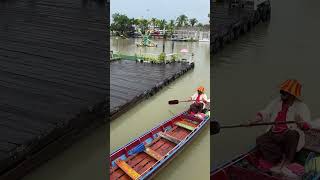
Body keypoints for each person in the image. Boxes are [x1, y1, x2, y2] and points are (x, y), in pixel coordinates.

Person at [250, 79, 311, 176]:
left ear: (291, 95)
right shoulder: (276, 102)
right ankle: (277, 158)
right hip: (274, 132)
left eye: (284, 93)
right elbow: (265, 113)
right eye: (281, 92)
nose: (281, 94)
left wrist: (301, 123)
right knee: (260, 140)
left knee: (293, 134)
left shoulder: (302, 107)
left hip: (288, 134)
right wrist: (253, 121)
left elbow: (307, 127)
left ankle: (287, 160)